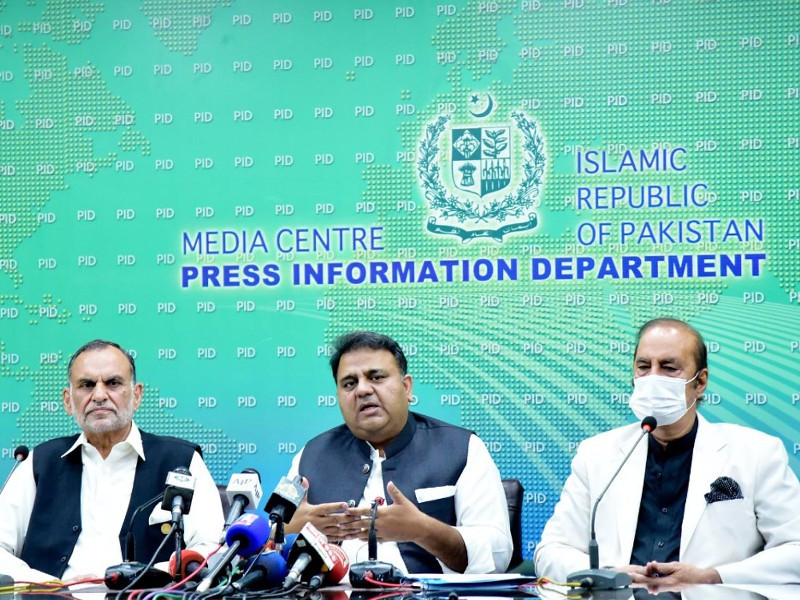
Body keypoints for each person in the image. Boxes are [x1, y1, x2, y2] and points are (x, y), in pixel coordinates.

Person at [534, 318, 800, 586]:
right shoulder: (597, 454)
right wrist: (609, 574)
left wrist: (712, 577)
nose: (653, 378)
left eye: (669, 368)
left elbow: (795, 550)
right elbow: (551, 552)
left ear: (700, 382)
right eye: (644, 367)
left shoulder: (756, 453)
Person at [285, 331, 512, 574]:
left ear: (406, 388)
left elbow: (497, 553)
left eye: (377, 377)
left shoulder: (463, 448)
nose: (362, 390)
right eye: (349, 383)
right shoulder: (310, 455)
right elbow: (264, 541)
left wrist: (422, 530)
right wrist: (291, 529)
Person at [0, 340, 224, 582]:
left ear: (137, 395)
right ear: (67, 400)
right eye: (86, 385)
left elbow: (209, 548)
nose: (99, 395)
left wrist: (141, 580)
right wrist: (50, 586)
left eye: (113, 383)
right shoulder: (39, 463)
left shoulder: (181, 462)